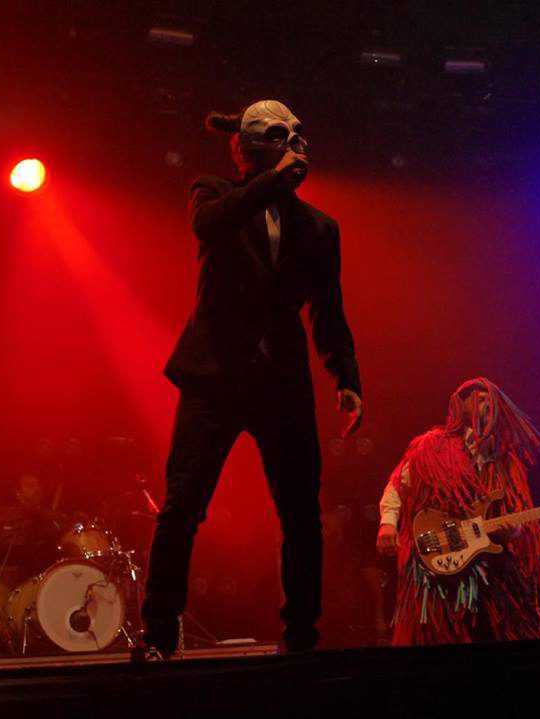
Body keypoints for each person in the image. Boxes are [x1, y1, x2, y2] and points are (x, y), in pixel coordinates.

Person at [141, 99, 364, 657]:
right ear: (249, 147)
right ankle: (160, 631)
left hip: (281, 384)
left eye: (298, 137)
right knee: (182, 507)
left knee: (301, 514)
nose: (295, 148)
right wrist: (271, 182)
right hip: (215, 377)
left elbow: (328, 309)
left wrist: (345, 374)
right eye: (280, 138)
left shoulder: (319, 228)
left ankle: (301, 637)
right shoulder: (214, 193)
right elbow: (210, 226)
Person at [376, 377, 540, 645]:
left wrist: (513, 531)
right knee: (435, 636)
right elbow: (398, 485)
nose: (486, 404)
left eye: (490, 400)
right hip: (437, 559)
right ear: (461, 405)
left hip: (487, 565)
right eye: (479, 399)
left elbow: (518, 513)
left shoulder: (505, 461)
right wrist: (388, 523)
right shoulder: (431, 446)